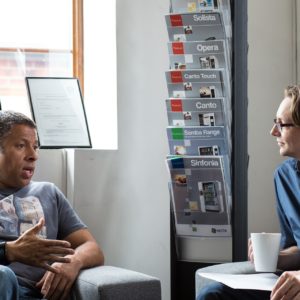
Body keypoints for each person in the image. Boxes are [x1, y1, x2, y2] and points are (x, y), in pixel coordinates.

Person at [197, 84, 300, 300]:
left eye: (282, 124)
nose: (273, 132)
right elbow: (295, 247)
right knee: (212, 295)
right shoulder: (283, 177)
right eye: (275, 123)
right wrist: (277, 257)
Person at [0, 111, 104, 299]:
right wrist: (9, 251)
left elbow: (91, 247)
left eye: (35, 147)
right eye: (21, 146)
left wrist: (73, 260)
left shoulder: (48, 192)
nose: (33, 156)